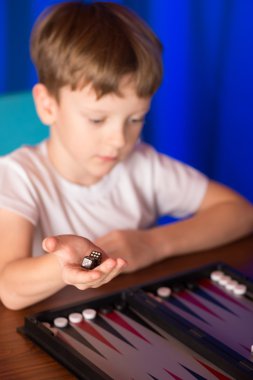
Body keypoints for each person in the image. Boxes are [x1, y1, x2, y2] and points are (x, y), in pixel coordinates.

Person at [0, 2, 252, 311]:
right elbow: (9, 287)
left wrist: (153, 244)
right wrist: (65, 266)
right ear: (48, 105)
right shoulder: (18, 176)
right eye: (97, 119)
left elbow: (239, 213)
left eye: (135, 119)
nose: (119, 140)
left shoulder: (143, 165)